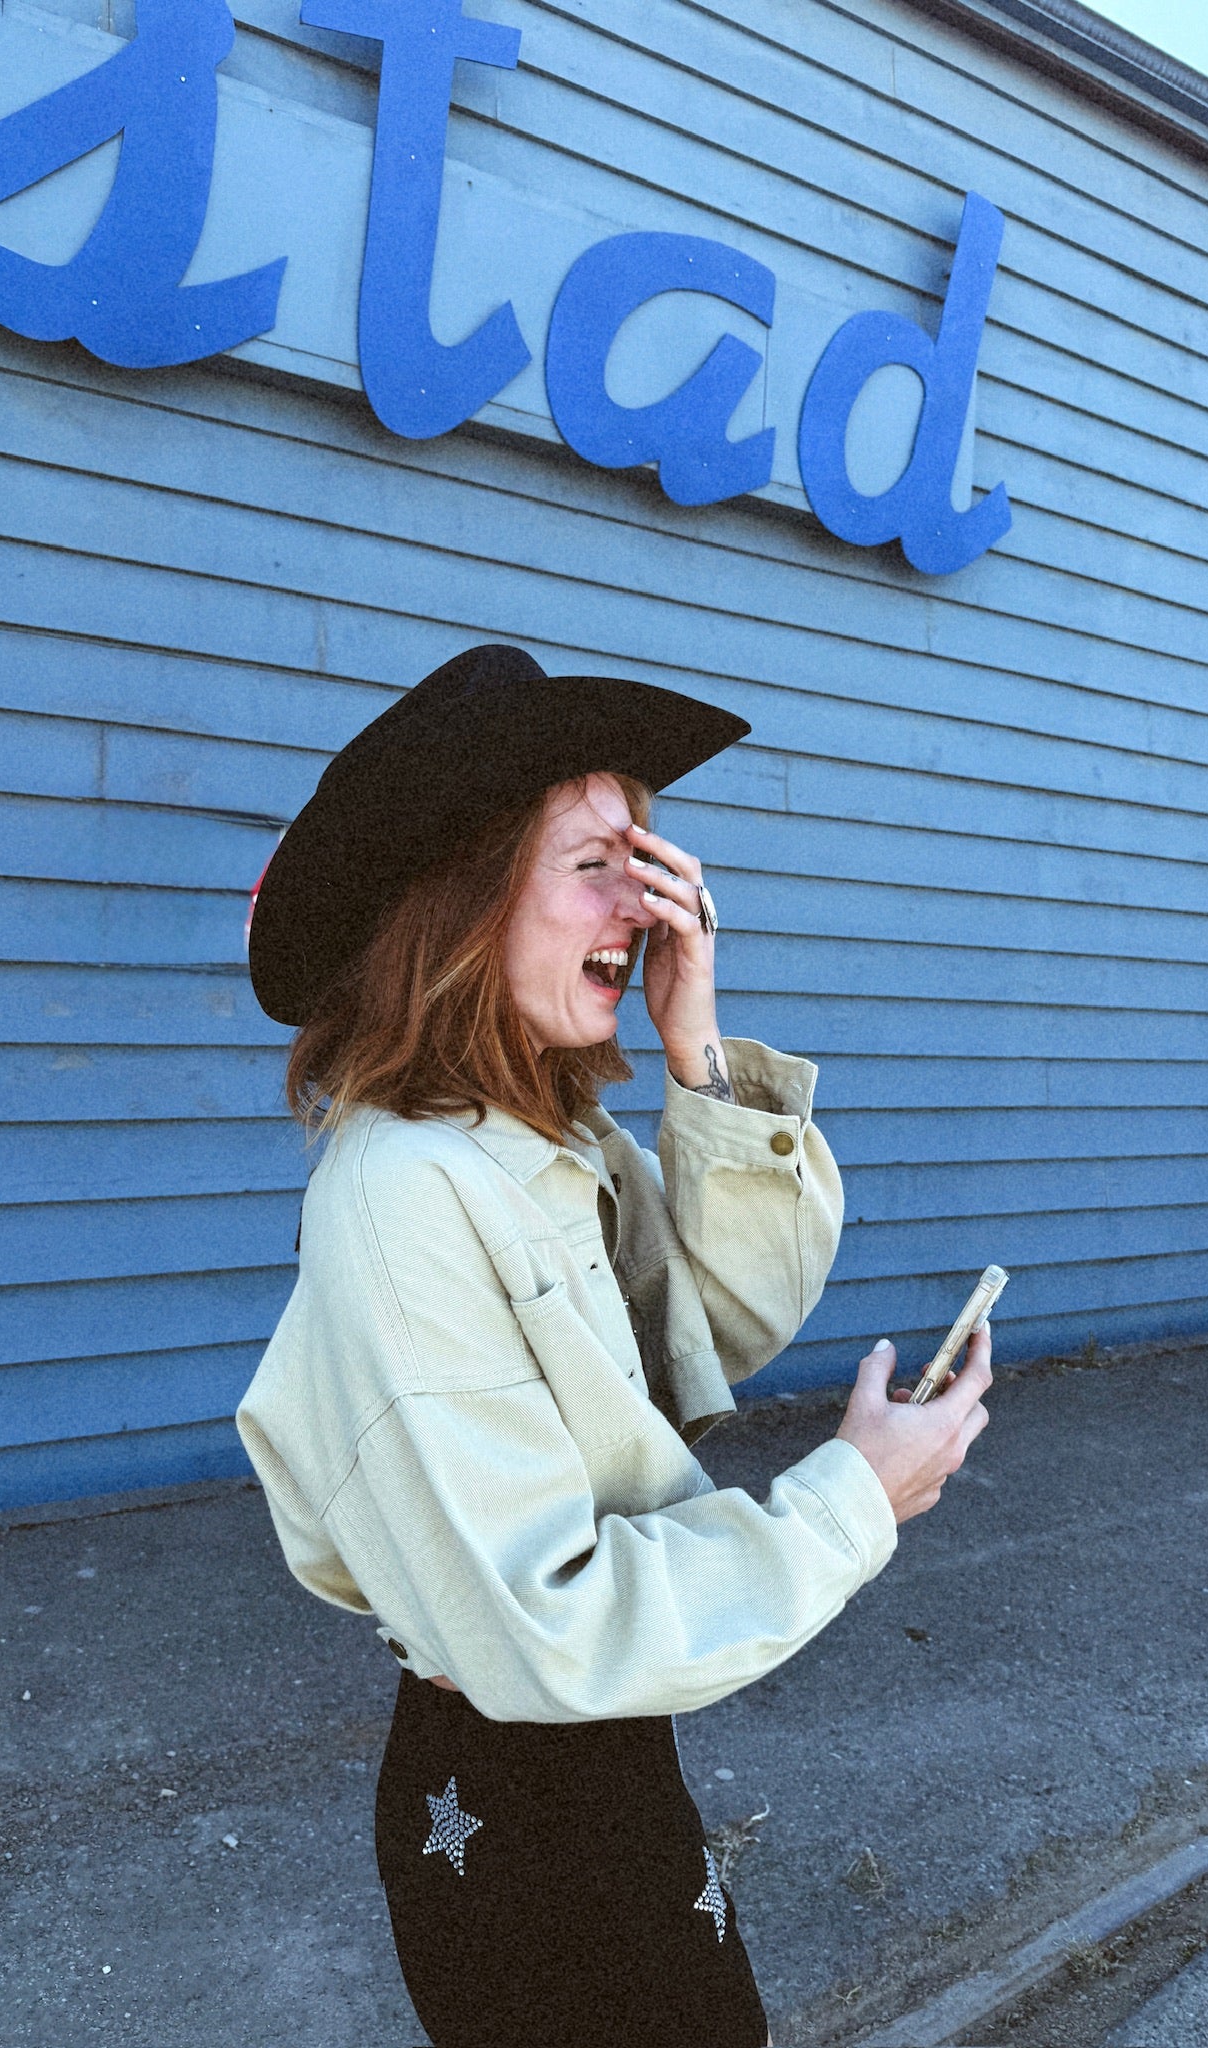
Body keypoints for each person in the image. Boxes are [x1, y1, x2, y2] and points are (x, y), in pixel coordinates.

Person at [236, 643, 992, 2048]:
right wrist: (851, 1502)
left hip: (596, 1754)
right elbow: (547, 1624)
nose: (644, 906)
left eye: (646, 862)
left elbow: (718, 1329)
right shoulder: (401, 1191)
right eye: (596, 864)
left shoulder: (545, 1138)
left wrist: (693, 1045)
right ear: (463, 901)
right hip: (516, 1794)